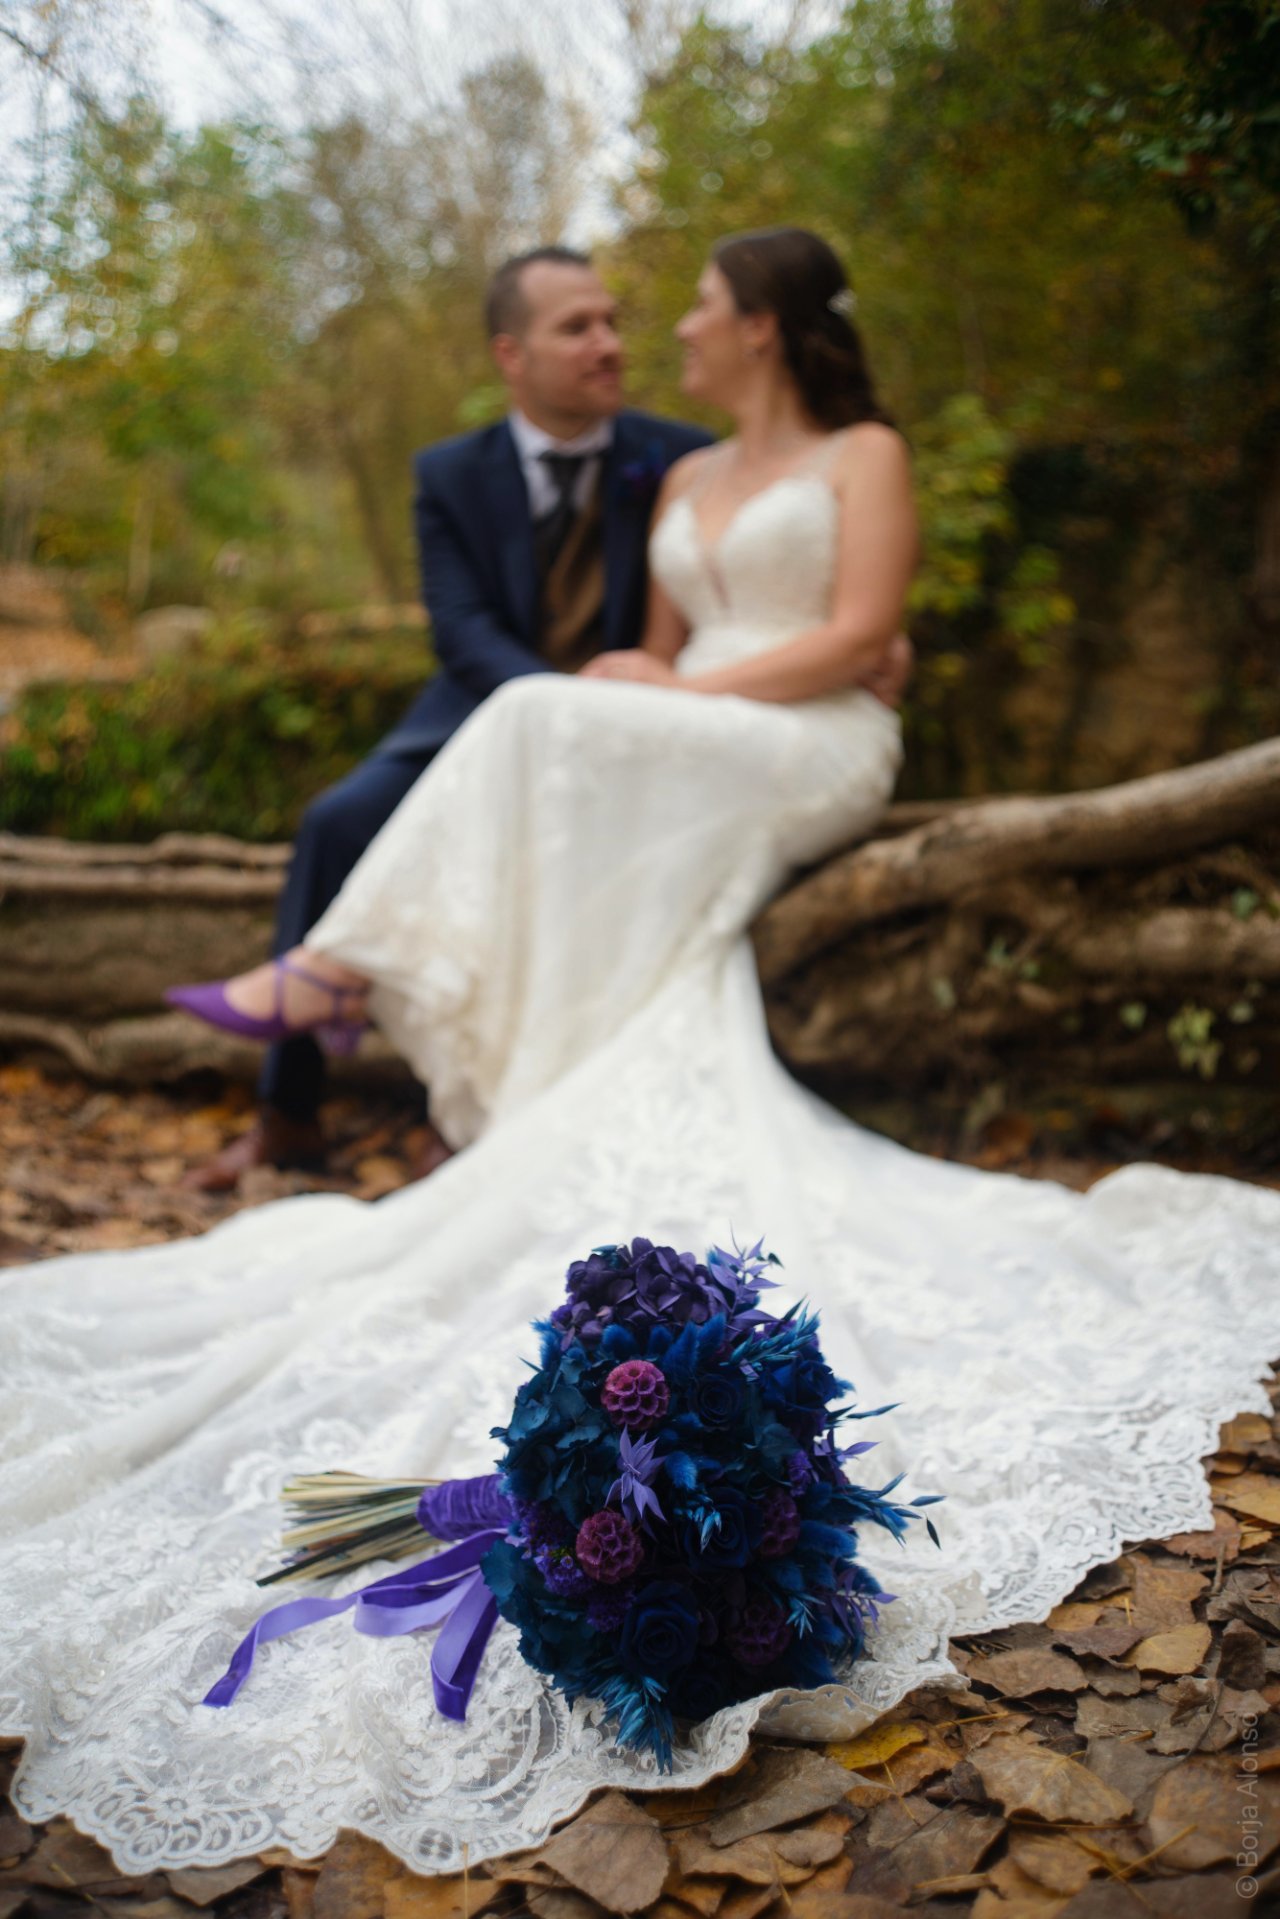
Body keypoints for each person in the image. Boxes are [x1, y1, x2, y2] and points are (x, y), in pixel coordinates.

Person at [3, 229, 1277, 1878]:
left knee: (543, 716)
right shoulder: (683, 479)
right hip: (710, 729)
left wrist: (671, 684)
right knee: (559, 719)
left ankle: (329, 971)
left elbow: (858, 633)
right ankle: (481, 1017)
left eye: (686, 304)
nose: (660, 325)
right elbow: (660, 661)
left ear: (759, 323)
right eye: (616, 312)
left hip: (820, 738)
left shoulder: (861, 450)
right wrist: (647, 676)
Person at [182, 245, 715, 1193]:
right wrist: (549, 712)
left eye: (612, 322)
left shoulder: (679, 458)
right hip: (476, 710)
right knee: (336, 822)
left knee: (534, 854)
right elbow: (463, 630)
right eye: (577, 327)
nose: (609, 344)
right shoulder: (449, 473)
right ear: (511, 355)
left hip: (634, 738)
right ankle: (288, 1112)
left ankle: (462, 1115)